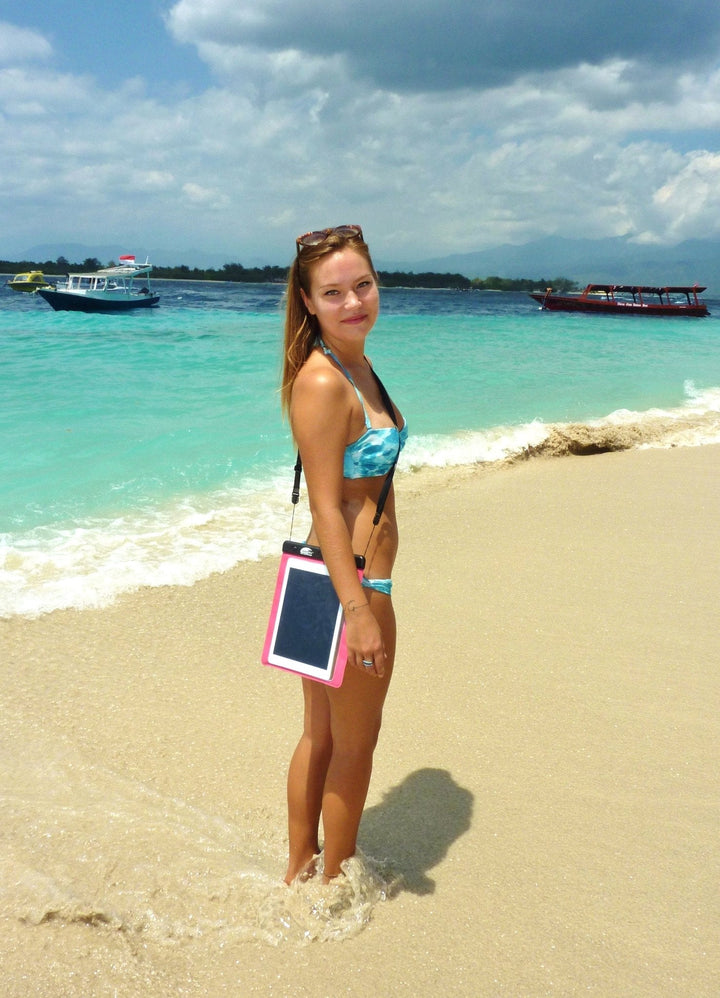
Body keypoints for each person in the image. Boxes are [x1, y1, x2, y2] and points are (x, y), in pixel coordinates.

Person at [280, 224, 407, 884]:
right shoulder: (326, 381)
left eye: (363, 285)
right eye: (334, 293)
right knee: (353, 743)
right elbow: (327, 506)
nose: (354, 301)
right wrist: (358, 608)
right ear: (306, 300)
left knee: (325, 736)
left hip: (325, 581)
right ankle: (337, 879)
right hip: (351, 587)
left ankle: (302, 870)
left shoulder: (355, 364)